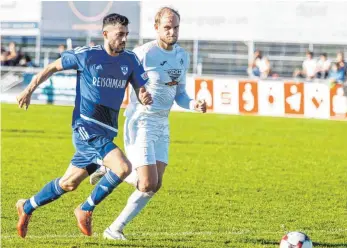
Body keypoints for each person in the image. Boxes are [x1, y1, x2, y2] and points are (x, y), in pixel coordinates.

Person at [15, 13, 152, 238]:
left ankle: (27, 206)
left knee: (69, 183)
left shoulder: (130, 60)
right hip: (85, 128)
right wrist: (29, 89)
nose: (124, 39)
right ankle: (85, 208)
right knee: (123, 167)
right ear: (105, 34)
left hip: (106, 132)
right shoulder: (87, 55)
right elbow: (52, 67)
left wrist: (145, 95)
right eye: (120, 35)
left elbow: (141, 89)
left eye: (126, 35)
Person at [89, 7, 207, 240]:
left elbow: (180, 93)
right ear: (156, 28)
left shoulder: (182, 56)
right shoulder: (142, 54)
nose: (172, 31)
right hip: (140, 121)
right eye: (167, 27)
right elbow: (119, 81)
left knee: (155, 184)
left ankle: (114, 229)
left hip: (162, 124)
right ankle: (112, 169)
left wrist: (194, 104)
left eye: (175, 27)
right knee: (146, 182)